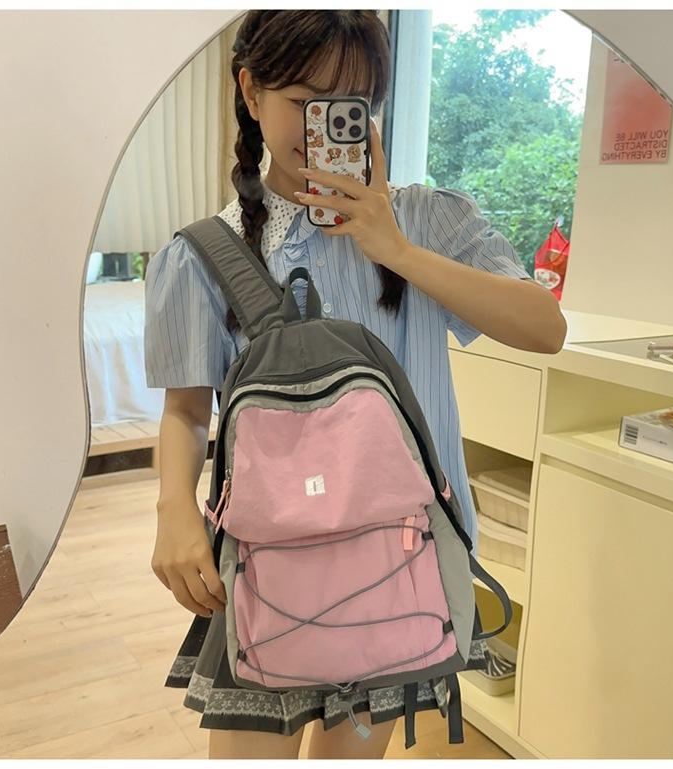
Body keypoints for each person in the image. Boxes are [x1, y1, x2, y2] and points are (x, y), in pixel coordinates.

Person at [145, 10, 567, 760]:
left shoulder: (429, 221)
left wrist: (394, 247)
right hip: (268, 559)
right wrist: (174, 508)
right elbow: (186, 409)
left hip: (399, 564)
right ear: (250, 91)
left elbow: (544, 327)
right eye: (303, 100)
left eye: (350, 104)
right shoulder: (206, 253)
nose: (325, 125)